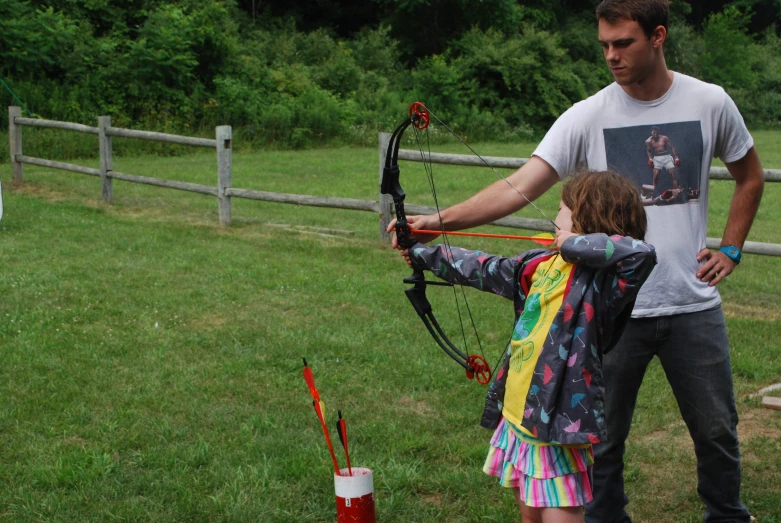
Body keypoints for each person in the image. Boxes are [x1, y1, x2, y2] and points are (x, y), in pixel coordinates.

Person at [387, 1, 765, 521]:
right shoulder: (589, 114)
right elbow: (520, 186)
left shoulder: (709, 102)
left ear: (658, 36)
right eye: (604, 45)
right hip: (599, 313)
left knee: (717, 430)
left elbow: (750, 175)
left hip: (689, 303)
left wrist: (731, 247)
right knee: (597, 438)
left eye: (623, 43)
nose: (611, 56)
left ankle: (726, 516)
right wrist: (435, 222)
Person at [400, 171, 657, 523]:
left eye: (562, 210)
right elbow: (484, 267)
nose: (556, 218)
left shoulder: (604, 284)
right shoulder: (539, 265)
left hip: (558, 423)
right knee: (530, 514)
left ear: (588, 217)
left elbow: (641, 254)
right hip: (522, 415)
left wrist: (571, 243)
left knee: (559, 510)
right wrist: (421, 254)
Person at [646, 125, 680, 192]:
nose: (655, 135)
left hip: (667, 156)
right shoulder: (648, 141)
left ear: (658, 132)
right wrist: (650, 159)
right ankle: (654, 194)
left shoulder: (664, 138)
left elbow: (671, 147)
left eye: (656, 133)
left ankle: (676, 192)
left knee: (672, 174)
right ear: (651, 133)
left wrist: (676, 157)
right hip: (657, 158)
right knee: (655, 176)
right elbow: (649, 151)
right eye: (654, 133)